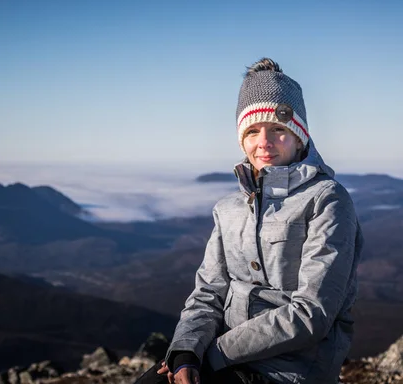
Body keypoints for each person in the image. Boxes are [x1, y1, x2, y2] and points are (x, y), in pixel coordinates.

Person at [135, 58, 363, 384]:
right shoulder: (229, 208)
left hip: (289, 370)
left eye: (278, 130)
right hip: (223, 357)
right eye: (253, 131)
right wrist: (185, 351)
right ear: (242, 139)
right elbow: (208, 293)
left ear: (300, 136)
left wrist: (211, 355)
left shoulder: (327, 199)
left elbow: (312, 313)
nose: (264, 142)